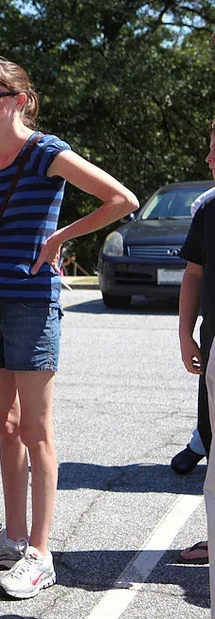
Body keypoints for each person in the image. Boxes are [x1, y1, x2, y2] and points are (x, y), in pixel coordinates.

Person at [0, 57, 138, 599]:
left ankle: (40, 552)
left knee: (36, 430)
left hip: (33, 302)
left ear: (21, 99)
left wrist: (58, 240)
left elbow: (120, 200)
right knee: (6, 427)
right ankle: (10, 541)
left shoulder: (46, 152)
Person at [174, 121, 215, 566]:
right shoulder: (208, 210)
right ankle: (213, 536)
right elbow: (194, 274)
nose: (208, 158)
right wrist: (185, 334)